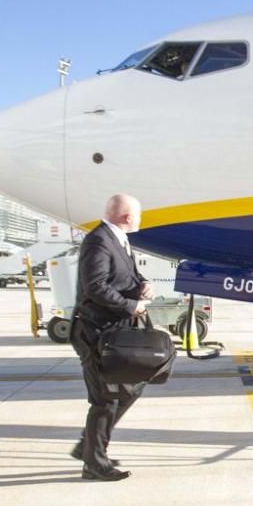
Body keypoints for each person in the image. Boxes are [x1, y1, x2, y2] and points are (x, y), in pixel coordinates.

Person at [69, 194, 154, 481]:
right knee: (106, 398)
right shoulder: (99, 240)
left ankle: (89, 447)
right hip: (94, 331)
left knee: (131, 387)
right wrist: (131, 306)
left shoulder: (117, 239)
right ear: (127, 217)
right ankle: (94, 463)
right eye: (139, 215)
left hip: (111, 330)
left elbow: (124, 276)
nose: (141, 220)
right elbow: (95, 287)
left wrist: (141, 285)